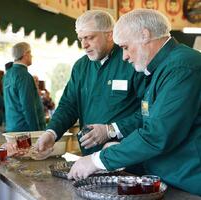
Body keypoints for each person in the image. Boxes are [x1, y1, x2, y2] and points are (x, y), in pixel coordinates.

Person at [67, 9, 201, 196]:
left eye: (125, 47)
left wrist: (97, 160)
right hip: (168, 177)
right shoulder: (162, 68)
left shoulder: (182, 67)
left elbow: (157, 135)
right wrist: (119, 147)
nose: (124, 57)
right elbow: (150, 122)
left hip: (188, 183)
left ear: (145, 35)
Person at [36, 10, 145, 155]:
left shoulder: (132, 61)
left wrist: (110, 131)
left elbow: (147, 112)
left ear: (110, 35)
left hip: (127, 156)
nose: (84, 45)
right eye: (81, 39)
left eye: (89, 37)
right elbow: (69, 105)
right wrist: (52, 132)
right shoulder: (81, 66)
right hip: (89, 156)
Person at [3, 42, 45, 132]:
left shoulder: (7, 74)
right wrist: (36, 131)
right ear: (25, 54)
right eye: (30, 53)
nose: (32, 56)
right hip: (25, 129)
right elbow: (28, 106)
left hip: (12, 126)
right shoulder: (24, 75)